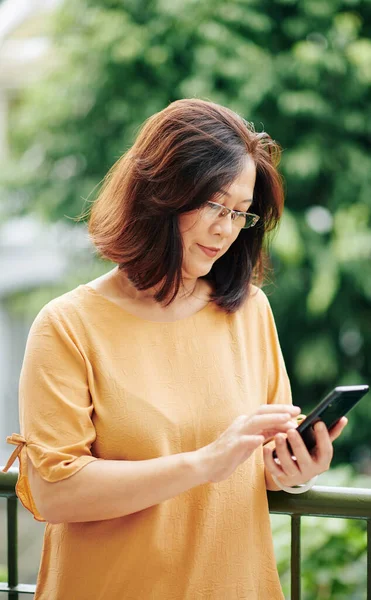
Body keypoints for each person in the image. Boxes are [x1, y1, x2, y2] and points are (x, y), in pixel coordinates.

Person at [3, 99, 347, 600]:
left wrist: (292, 472)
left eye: (241, 214)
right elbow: (56, 492)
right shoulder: (67, 326)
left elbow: (259, 458)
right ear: (160, 193)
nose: (226, 230)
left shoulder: (250, 311)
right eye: (214, 205)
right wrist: (205, 462)